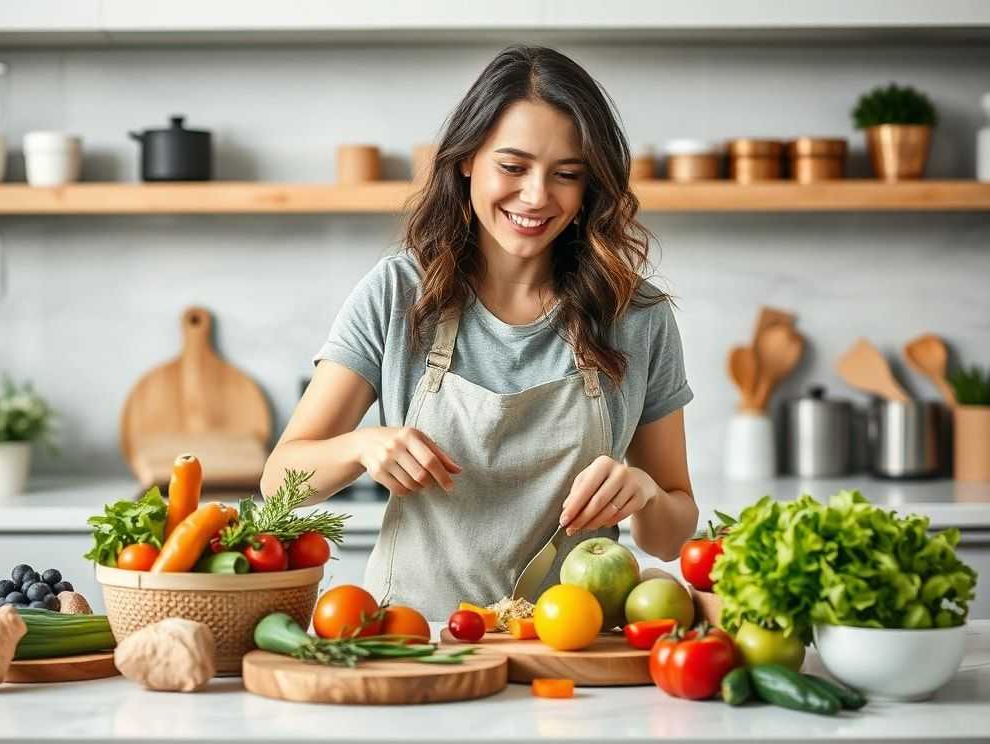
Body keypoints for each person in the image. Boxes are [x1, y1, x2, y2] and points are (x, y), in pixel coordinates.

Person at [261, 45, 698, 619]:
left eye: (566, 175)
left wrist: (641, 492)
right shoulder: (397, 293)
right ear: (467, 159)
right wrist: (361, 446)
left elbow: (671, 535)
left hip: (569, 647)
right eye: (512, 167)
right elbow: (279, 482)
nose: (537, 196)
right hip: (418, 641)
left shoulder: (636, 316)